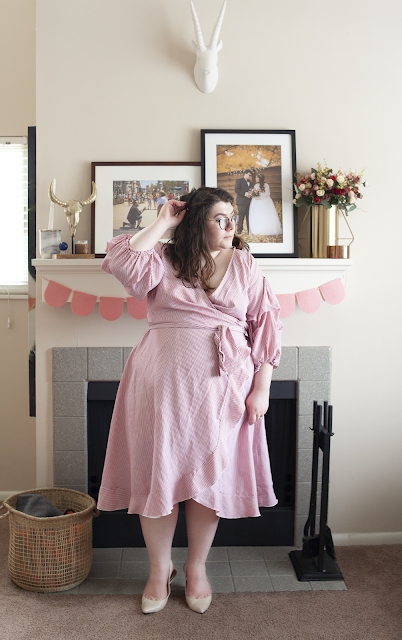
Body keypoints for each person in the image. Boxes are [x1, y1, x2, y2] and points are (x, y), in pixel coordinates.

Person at [98, 186, 283, 615]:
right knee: (157, 477)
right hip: (160, 388)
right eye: (220, 218)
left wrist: (263, 387)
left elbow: (266, 325)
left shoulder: (245, 264)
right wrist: (164, 220)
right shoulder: (162, 259)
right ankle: (159, 570)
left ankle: (196, 568)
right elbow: (121, 262)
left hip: (224, 390)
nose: (231, 225)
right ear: (197, 222)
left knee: (208, 482)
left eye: (233, 216)